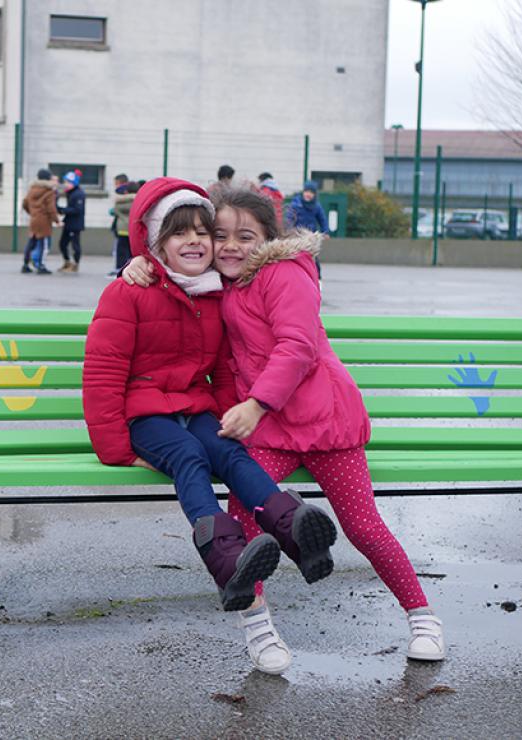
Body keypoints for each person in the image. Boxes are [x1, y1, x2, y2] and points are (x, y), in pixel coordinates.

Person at [122, 187, 446, 673]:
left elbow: (297, 347)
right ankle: (259, 631)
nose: (230, 246)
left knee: (362, 526)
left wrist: (254, 405)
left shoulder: (285, 275)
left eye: (245, 236)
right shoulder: (215, 284)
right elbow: (172, 267)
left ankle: (423, 618)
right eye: (220, 235)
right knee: (243, 524)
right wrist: (136, 265)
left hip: (325, 425)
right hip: (269, 432)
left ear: (269, 240)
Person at [83, 177, 338, 618]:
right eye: (179, 232)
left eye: (202, 231)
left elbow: (221, 369)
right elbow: (103, 374)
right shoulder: (129, 290)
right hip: (145, 416)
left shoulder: (215, 293)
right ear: (157, 242)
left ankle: (294, 531)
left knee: (229, 453)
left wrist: (225, 417)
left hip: (194, 406)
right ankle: (226, 560)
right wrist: (116, 451)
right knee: (189, 455)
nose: (195, 241)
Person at [284, 179, 327, 278]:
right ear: (303, 192)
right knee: (297, 255)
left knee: (313, 258)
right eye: (307, 191)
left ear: (315, 195)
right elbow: (289, 218)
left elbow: (322, 219)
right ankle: (296, 275)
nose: (308, 194)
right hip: (297, 235)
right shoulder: (296, 204)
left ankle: (317, 276)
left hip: (310, 236)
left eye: (311, 192)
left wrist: (325, 231)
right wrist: (288, 229)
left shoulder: (316, 206)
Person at [20, 168, 60, 274]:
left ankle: (25, 264)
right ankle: (41, 266)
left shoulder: (32, 189)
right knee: (43, 243)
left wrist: (32, 213)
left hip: (34, 219)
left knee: (31, 242)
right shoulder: (49, 191)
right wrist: (57, 220)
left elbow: (24, 203)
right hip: (44, 221)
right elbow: (51, 208)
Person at [58, 170, 86, 273]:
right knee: (62, 244)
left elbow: (77, 210)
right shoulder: (71, 193)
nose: (65, 184)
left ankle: (75, 264)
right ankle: (67, 262)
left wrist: (63, 210)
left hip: (75, 224)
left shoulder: (78, 194)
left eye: (67, 182)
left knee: (75, 245)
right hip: (69, 223)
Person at [109, 180, 137, 276]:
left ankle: (119, 269)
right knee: (131, 251)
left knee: (121, 251)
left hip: (122, 229)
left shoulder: (121, 202)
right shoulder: (139, 201)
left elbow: (115, 210)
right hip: (133, 229)